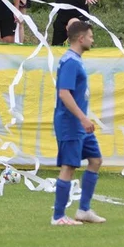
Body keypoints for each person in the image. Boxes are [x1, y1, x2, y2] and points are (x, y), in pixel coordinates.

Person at [50, 20, 106, 226]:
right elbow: (64, 93)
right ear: (81, 39)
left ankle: (83, 210)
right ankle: (58, 216)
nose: (93, 40)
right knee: (69, 166)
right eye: (90, 36)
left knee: (96, 160)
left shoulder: (75, 59)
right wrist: (83, 118)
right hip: (71, 122)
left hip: (80, 123)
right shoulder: (71, 62)